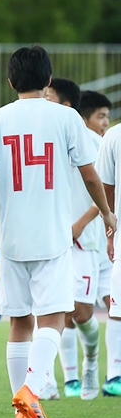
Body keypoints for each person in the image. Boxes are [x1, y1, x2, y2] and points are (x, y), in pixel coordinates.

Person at [0, 46, 115, 418]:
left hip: (9, 237)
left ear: (10, 81)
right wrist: (106, 212)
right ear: (48, 80)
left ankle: (22, 414)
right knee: (52, 317)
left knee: (19, 321)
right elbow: (89, 174)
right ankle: (31, 391)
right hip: (53, 236)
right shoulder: (66, 117)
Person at [43, 79, 106, 401]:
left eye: (48, 96)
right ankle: (53, 380)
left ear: (65, 105)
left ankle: (91, 361)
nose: (42, 100)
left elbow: (107, 191)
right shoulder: (43, 139)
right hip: (50, 239)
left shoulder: (95, 143)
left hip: (85, 239)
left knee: (81, 314)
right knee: (53, 310)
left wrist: (81, 224)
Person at [97, 121, 121, 397]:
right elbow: (106, 188)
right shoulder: (114, 136)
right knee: (117, 308)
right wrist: (112, 231)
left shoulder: (113, 134)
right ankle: (114, 374)